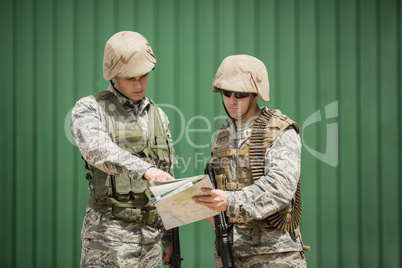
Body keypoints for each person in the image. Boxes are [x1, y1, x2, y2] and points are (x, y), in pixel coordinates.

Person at [71, 31, 177, 267]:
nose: (139, 84)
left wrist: (169, 240)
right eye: (130, 78)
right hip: (108, 237)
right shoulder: (90, 108)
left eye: (143, 76)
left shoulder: (159, 116)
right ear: (113, 75)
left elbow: (167, 179)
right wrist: (146, 170)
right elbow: (97, 150)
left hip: (150, 240)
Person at [193, 55, 308, 267]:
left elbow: (281, 187)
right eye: (226, 93)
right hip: (229, 252)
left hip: (273, 255)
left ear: (256, 94)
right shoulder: (223, 135)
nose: (232, 100)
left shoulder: (280, 130)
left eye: (240, 94)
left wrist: (229, 201)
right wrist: (208, 207)